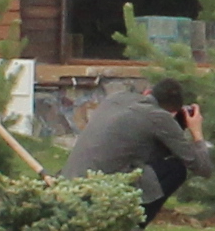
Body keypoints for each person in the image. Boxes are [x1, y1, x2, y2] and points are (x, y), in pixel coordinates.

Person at [72, 74, 204, 219]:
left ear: (147, 92)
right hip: (100, 193)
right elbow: (203, 167)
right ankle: (131, 226)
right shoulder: (158, 116)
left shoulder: (115, 99)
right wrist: (196, 132)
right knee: (176, 168)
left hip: (74, 187)